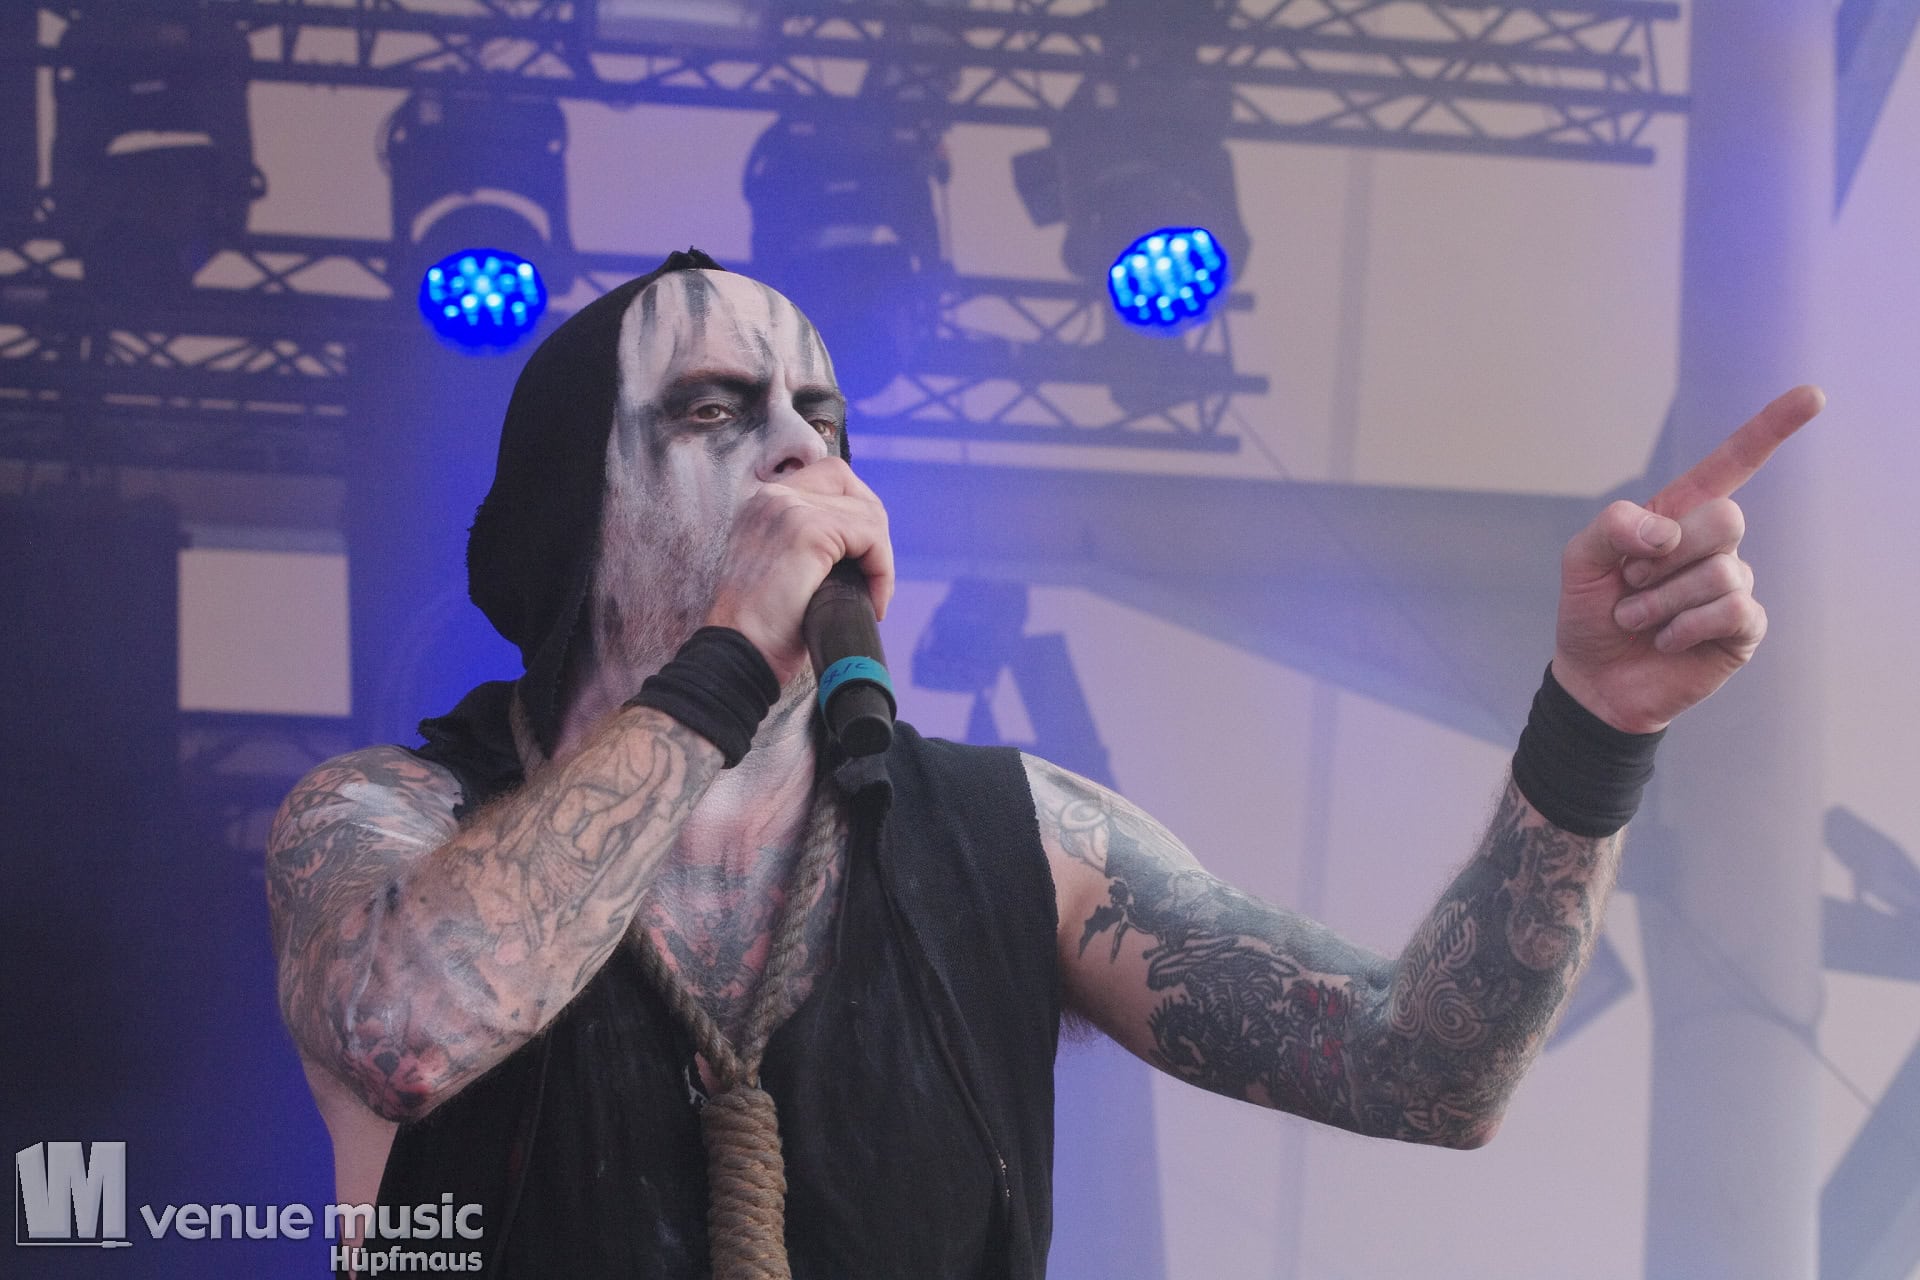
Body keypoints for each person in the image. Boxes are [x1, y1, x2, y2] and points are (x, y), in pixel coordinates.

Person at [267, 248, 1819, 1278]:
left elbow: (1427, 1067)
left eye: (820, 416)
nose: (801, 451)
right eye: (714, 411)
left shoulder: (1020, 840)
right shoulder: (393, 818)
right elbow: (405, 1032)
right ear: (580, 515)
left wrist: (1594, 724)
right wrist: (727, 661)